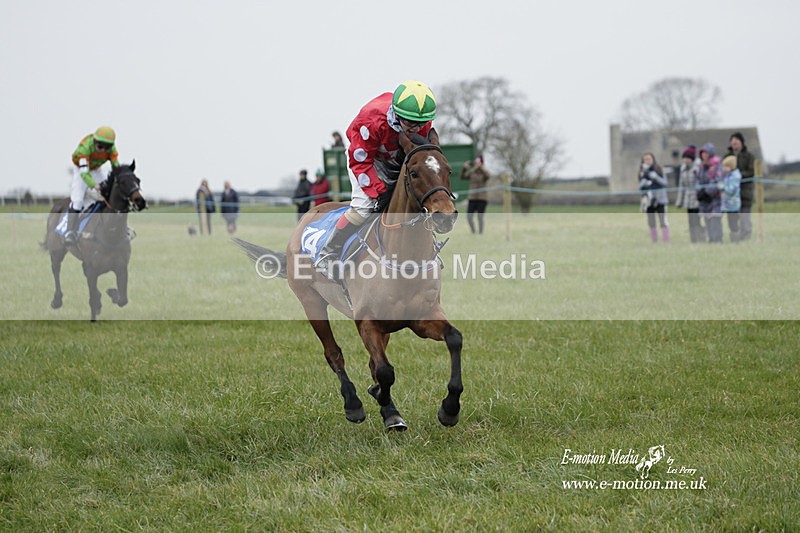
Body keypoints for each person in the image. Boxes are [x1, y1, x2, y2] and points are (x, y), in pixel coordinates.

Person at [315, 80, 437, 270]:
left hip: (396, 156)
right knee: (364, 207)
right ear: (397, 113)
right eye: (410, 123)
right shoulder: (371, 121)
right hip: (366, 158)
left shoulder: (421, 119)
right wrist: (379, 191)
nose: (415, 128)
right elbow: (360, 161)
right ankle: (329, 251)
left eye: (420, 123)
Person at [65, 126, 120, 244]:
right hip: (82, 169)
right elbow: (84, 175)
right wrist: (96, 186)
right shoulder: (84, 148)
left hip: (96, 169)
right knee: (78, 200)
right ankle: (69, 232)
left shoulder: (112, 150)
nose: (103, 150)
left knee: (108, 196)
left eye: (107, 147)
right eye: (100, 146)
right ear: (95, 141)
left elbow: (116, 167)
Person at [724, 132, 755, 240]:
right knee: (732, 220)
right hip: (731, 196)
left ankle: (745, 238)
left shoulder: (749, 156)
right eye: (733, 143)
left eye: (737, 143)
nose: (735, 145)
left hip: (745, 194)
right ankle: (735, 239)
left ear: (742, 143)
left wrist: (737, 176)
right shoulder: (727, 157)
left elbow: (751, 172)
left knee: (745, 218)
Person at [675, 145, 705, 243]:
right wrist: (679, 202)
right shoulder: (683, 169)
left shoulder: (698, 169)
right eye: (684, 158)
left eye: (687, 158)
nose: (685, 160)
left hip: (697, 199)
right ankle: (694, 240)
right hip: (688, 200)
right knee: (691, 221)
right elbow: (681, 186)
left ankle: (701, 238)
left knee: (697, 220)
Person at [638, 152, 669, 243]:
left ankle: (666, 240)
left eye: (649, 159)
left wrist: (655, 177)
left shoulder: (659, 169)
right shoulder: (642, 172)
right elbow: (640, 187)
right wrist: (644, 180)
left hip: (660, 199)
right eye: (646, 159)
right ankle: (654, 240)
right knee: (651, 222)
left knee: (663, 220)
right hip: (648, 200)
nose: (648, 161)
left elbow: (665, 183)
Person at [696, 143, 723, 243]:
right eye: (702, 153)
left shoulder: (717, 164)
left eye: (706, 153)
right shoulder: (701, 166)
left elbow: (718, 179)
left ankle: (718, 239)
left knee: (715, 219)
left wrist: (708, 192)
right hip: (704, 200)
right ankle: (711, 239)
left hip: (714, 198)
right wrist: (699, 191)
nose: (704, 155)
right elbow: (698, 179)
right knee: (707, 220)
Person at [461, 155, 490, 234]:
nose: (477, 163)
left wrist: (480, 167)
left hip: (482, 198)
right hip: (472, 198)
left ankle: (480, 233)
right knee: (469, 217)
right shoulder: (472, 172)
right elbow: (463, 177)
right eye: (476, 162)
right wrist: (465, 168)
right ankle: (473, 231)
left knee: (480, 217)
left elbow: (487, 176)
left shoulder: (484, 172)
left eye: (478, 162)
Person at [719, 155, 742, 242]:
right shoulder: (727, 176)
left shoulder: (735, 176)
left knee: (733, 224)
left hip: (733, 205)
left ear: (731, 167)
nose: (724, 168)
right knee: (729, 222)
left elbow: (731, 190)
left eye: (726, 166)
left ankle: (735, 240)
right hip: (726, 204)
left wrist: (722, 187)